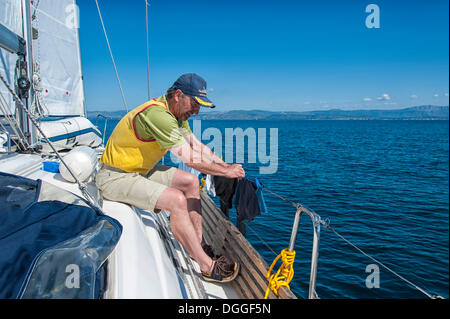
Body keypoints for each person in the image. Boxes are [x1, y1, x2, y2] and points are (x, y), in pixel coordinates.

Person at [95, 73, 245, 283]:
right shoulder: (158, 115)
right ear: (178, 95)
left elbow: (196, 146)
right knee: (176, 200)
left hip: (140, 170)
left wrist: (225, 166)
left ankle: (199, 245)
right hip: (114, 177)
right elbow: (190, 158)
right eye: (194, 103)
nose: (196, 110)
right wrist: (226, 173)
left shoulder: (177, 115)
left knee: (191, 182)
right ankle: (208, 267)